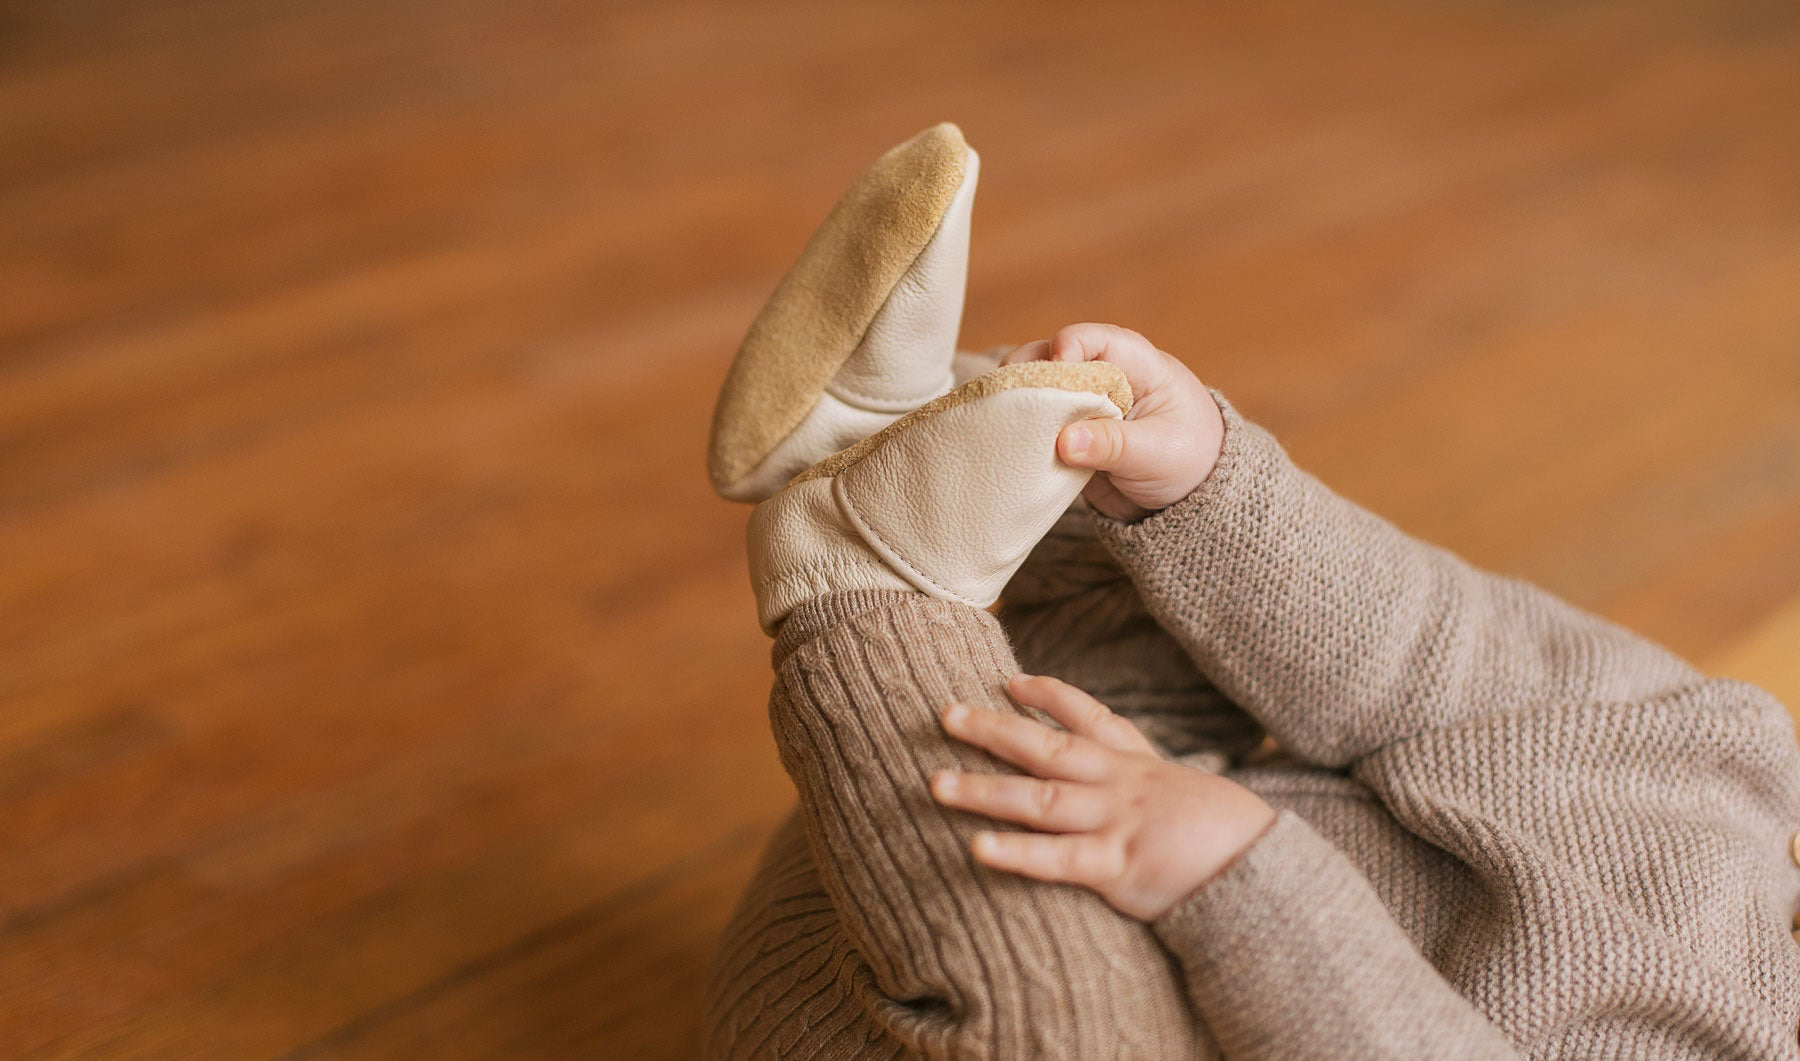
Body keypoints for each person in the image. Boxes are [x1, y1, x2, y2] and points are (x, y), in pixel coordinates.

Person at [700, 322, 1800, 1060]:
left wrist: (1234, 874)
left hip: (969, 993)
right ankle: (878, 429)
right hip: (927, 824)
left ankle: (849, 572)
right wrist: (1206, 482)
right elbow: (1428, 640)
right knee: (1180, 574)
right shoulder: (1723, 756)